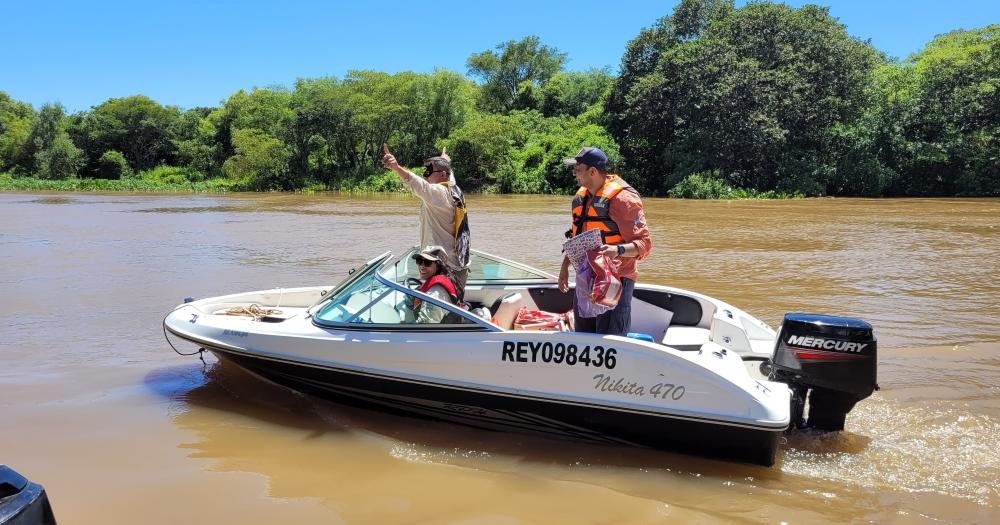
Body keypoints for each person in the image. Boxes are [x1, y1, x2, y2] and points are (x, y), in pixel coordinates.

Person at [557, 147, 652, 336]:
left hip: (616, 279)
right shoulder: (581, 198)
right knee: (583, 338)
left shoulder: (623, 200)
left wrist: (618, 250)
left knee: (611, 340)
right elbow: (578, 239)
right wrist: (564, 266)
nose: (574, 173)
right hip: (587, 277)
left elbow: (644, 245)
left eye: (578, 169)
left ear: (592, 171)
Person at [382, 144, 471, 300]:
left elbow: (418, 184)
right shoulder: (454, 189)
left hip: (443, 267)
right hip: (457, 266)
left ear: (443, 174)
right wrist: (444, 160)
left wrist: (396, 168)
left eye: (429, 172)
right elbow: (448, 175)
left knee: (437, 312)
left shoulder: (438, 193)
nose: (426, 175)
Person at [411, 245, 459, 324]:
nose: (422, 267)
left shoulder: (435, 293)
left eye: (427, 262)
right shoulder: (444, 277)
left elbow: (425, 326)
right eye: (419, 261)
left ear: (439, 266)